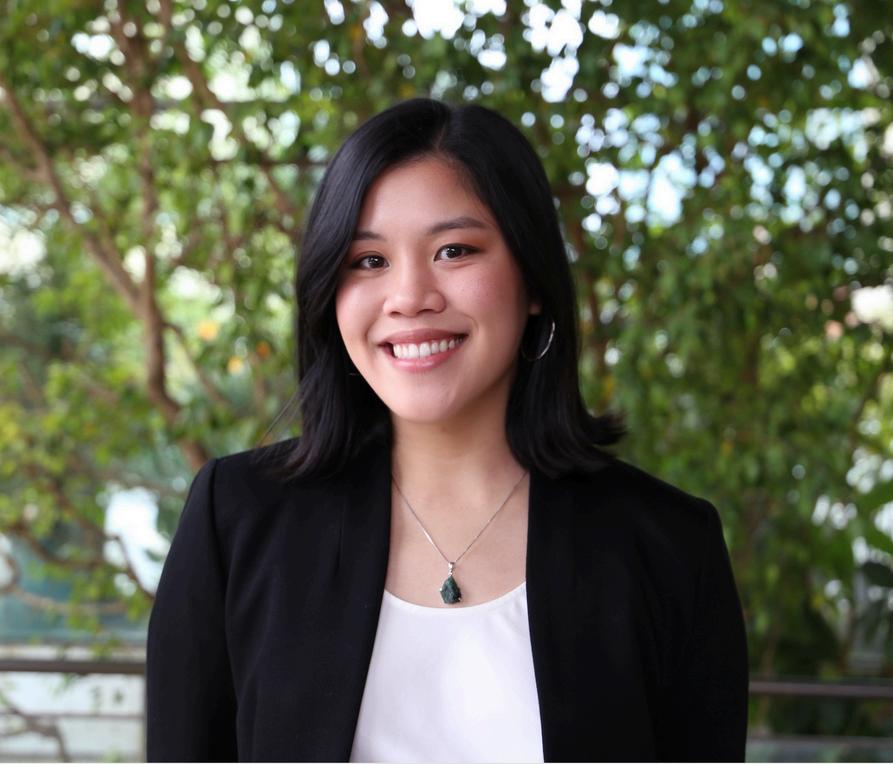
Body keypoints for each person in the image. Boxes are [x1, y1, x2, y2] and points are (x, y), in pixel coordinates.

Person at [146, 97, 749, 762]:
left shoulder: (669, 547)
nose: (409, 297)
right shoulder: (236, 520)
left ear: (533, 280)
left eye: (454, 251)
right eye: (368, 260)